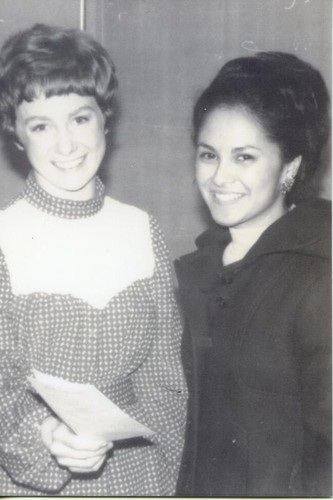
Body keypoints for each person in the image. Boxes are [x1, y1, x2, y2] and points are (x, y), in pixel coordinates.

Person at [0, 23, 187, 496]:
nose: (67, 145)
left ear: (105, 118)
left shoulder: (142, 230)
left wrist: (167, 482)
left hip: (137, 478)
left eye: (80, 118)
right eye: (42, 126)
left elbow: (164, 382)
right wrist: (46, 436)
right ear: (17, 137)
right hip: (29, 478)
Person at [175, 52, 331, 497]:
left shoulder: (320, 277)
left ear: (291, 167)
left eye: (244, 157)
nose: (220, 177)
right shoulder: (197, 270)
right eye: (209, 155)